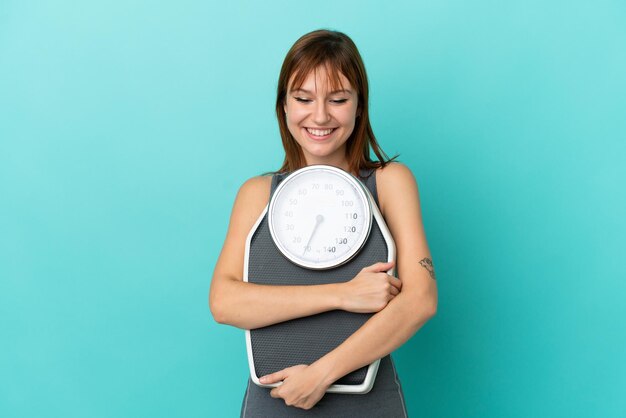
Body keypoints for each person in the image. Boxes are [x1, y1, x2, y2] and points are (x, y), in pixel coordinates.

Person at [209, 29, 438, 417]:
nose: (320, 116)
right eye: (303, 99)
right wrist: (342, 294)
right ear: (283, 105)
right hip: (274, 401)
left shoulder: (389, 182)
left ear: (359, 106)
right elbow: (225, 302)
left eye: (338, 99)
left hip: (368, 402)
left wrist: (321, 375)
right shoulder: (257, 193)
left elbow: (420, 300)